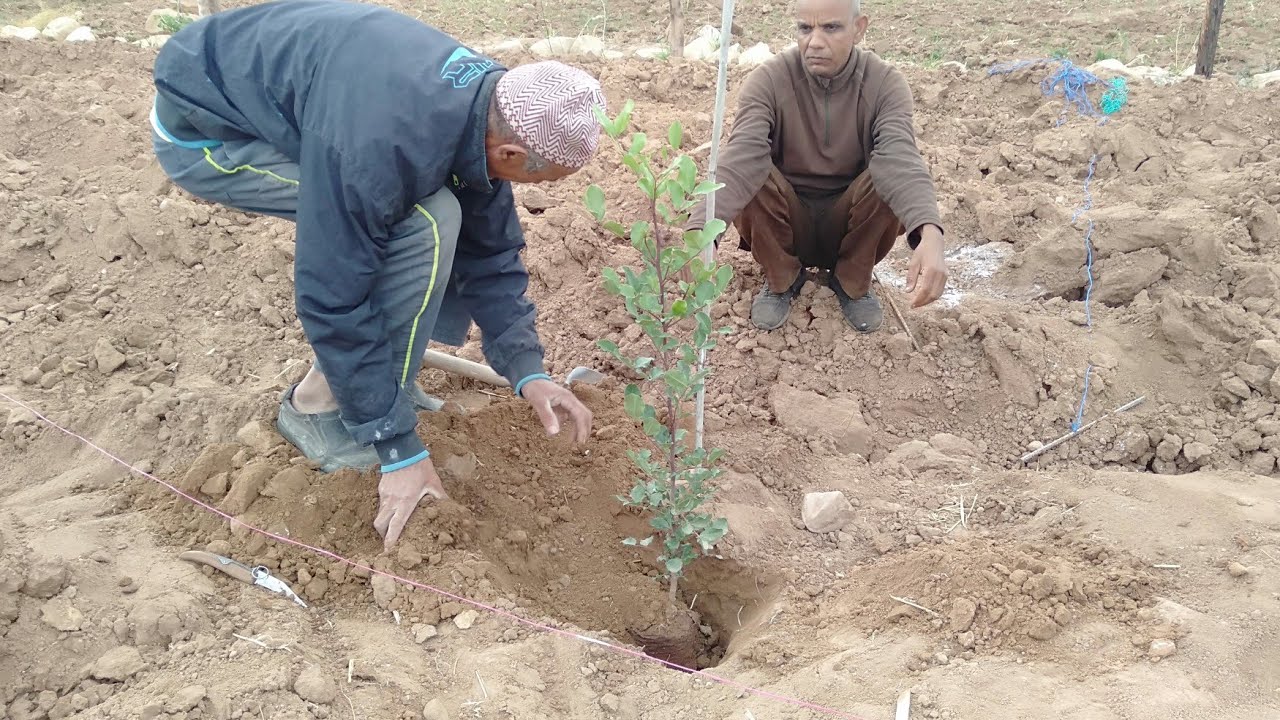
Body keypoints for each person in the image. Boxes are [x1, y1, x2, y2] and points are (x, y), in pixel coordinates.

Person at [148, 0, 605, 549]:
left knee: (445, 212)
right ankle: (318, 405)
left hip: (295, 101)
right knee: (425, 222)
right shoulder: (375, 148)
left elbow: (491, 255)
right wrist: (398, 450)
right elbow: (332, 294)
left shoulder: (483, 104)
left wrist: (528, 371)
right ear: (508, 150)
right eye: (547, 179)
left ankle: (382, 387)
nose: (542, 190)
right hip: (209, 134)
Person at [685, 0, 948, 332]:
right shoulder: (768, 80)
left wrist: (930, 232)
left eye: (831, 28)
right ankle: (782, 278)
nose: (815, 41)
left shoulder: (884, 84)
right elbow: (741, 157)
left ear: (859, 28)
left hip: (852, 223)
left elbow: (900, 157)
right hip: (785, 222)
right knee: (754, 173)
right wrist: (701, 230)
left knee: (886, 179)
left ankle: (852, 281)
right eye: (805, 28)